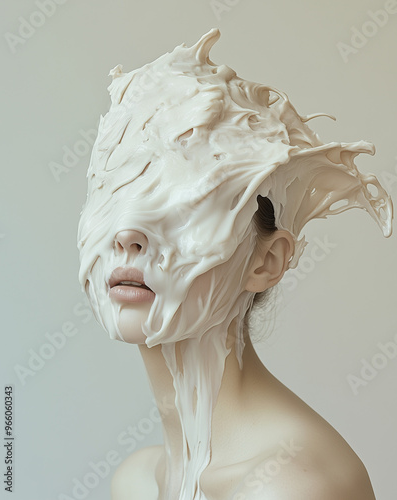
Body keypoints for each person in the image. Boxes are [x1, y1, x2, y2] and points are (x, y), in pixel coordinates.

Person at [77, 29, 393, 499]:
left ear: (266, 261)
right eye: (113, 195)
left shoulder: (295, 487)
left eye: (186, 205)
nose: (126, 235)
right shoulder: (136, 481)